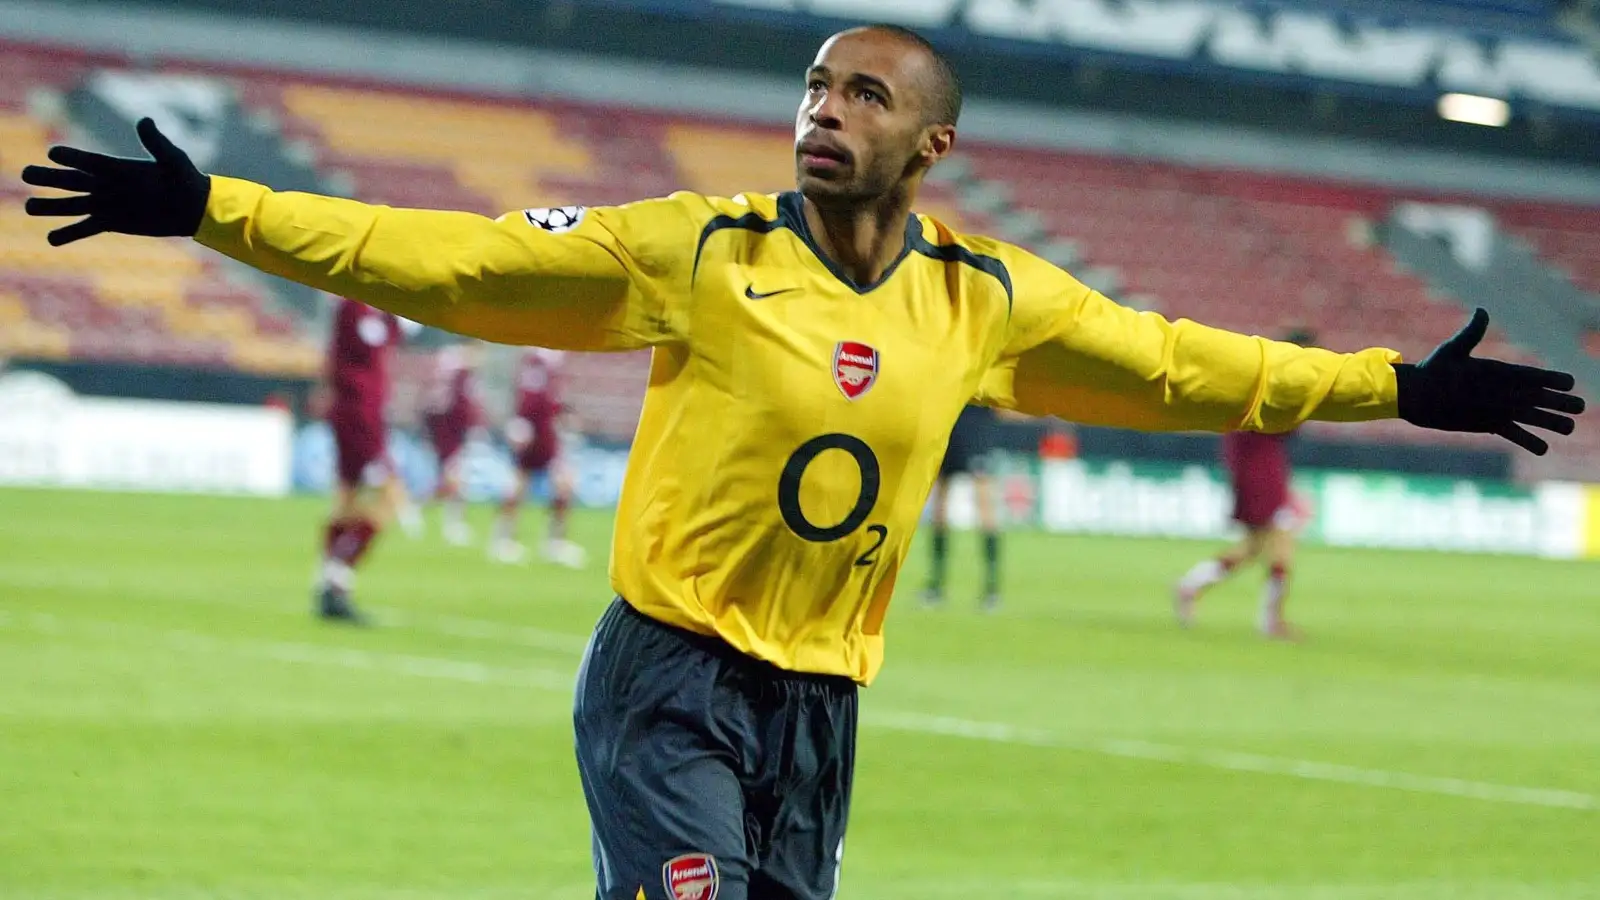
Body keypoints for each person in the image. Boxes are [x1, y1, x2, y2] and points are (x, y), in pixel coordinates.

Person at [21, 23, 1581, 900]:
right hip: (668, 679)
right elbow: (453, 263)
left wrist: (1390, 384)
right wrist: (221, 209)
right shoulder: (696, 251)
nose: (825, 113)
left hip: (819, 704)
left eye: (866, 96)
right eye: (816, 87)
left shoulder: (985, 298)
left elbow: (1182, 362)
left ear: (931, 148)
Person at [1174, 328, 1318, 639]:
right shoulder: (1280, 381)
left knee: (1254, 547)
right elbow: (1283, 424)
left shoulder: (1262, 376)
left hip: (1253, 467)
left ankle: (1190, 586)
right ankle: (1270, 622)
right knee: (1281, 545)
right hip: (1261, 471)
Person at [311, 295, 409, 624]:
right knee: (387, 501)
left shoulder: (360, 308)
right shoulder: (357, 306)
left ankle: (328, 582)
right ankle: (336, 584)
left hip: (357, 415)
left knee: (347, 501)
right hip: (359, 418)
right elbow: (364, 358)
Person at [488, 347, 587, 568]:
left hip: (547, 436)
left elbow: (552, 399)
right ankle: (504, 540)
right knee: (518, 486)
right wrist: (522, 424)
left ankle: (553, 542)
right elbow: (529, 397)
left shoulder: (551, 359)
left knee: (562, 485)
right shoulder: (538, 358)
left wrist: (564, 415)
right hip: (533, 436)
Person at [923, 403, 1003, 611]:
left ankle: (990, 589)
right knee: (941, 507)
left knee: (982, 505)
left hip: (969, 426)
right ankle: (937, 586)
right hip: (953, 425)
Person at [422, 341, 484, 546]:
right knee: (455, 477)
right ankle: (452, 523)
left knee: (453, 477)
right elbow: (458, 401)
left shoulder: (450, 362)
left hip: (443, 425)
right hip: (450, 427)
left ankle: (429, 510)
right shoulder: (461, 369)